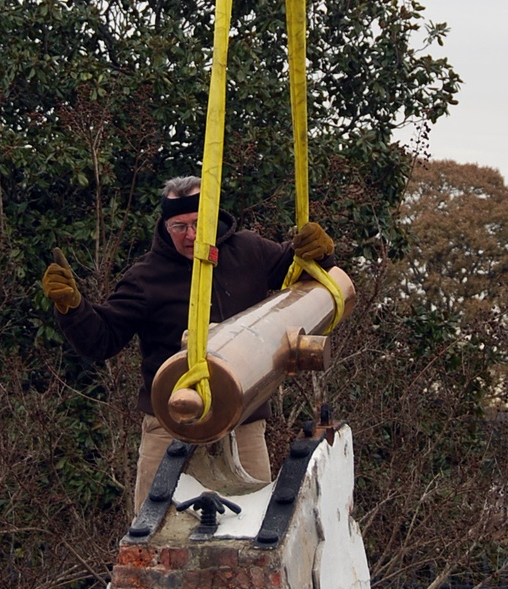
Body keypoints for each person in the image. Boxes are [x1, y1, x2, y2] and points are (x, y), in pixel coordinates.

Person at [41, 175, 334, 510]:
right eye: (178, 226)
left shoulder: (250, 251)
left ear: (213, 217)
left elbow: (309, 284)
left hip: (243, 422)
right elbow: (101, 340)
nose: (190, 235)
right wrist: (72, 308)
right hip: (169, 426)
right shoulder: (146, 277)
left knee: (253, 532)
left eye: (197, 223)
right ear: (165, 227)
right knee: (153, 533)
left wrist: (321, 254)